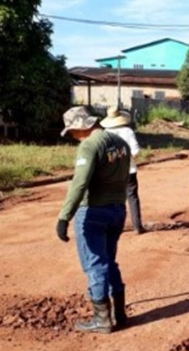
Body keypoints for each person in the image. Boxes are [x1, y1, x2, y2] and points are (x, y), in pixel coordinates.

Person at [55, 106, 132, 334]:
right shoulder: (121, 144)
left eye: (72, 131)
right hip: (118, 210)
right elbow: (126, 178)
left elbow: (79, 183)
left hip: (93, 212)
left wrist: (64, 216)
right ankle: (119, 313)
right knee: (110, 261)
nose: (72, 136)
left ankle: (102, 320)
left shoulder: (89, 145)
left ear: (81, 126)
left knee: (95, 264)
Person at [101, 106, 145, 234]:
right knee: (132, 197)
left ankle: (113, 226)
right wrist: (126, 157)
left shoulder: (105, 133)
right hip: (129, 170)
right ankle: (137, 226)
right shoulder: (127, 131)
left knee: (112, 199)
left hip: (111, 172)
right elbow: (136, 151)